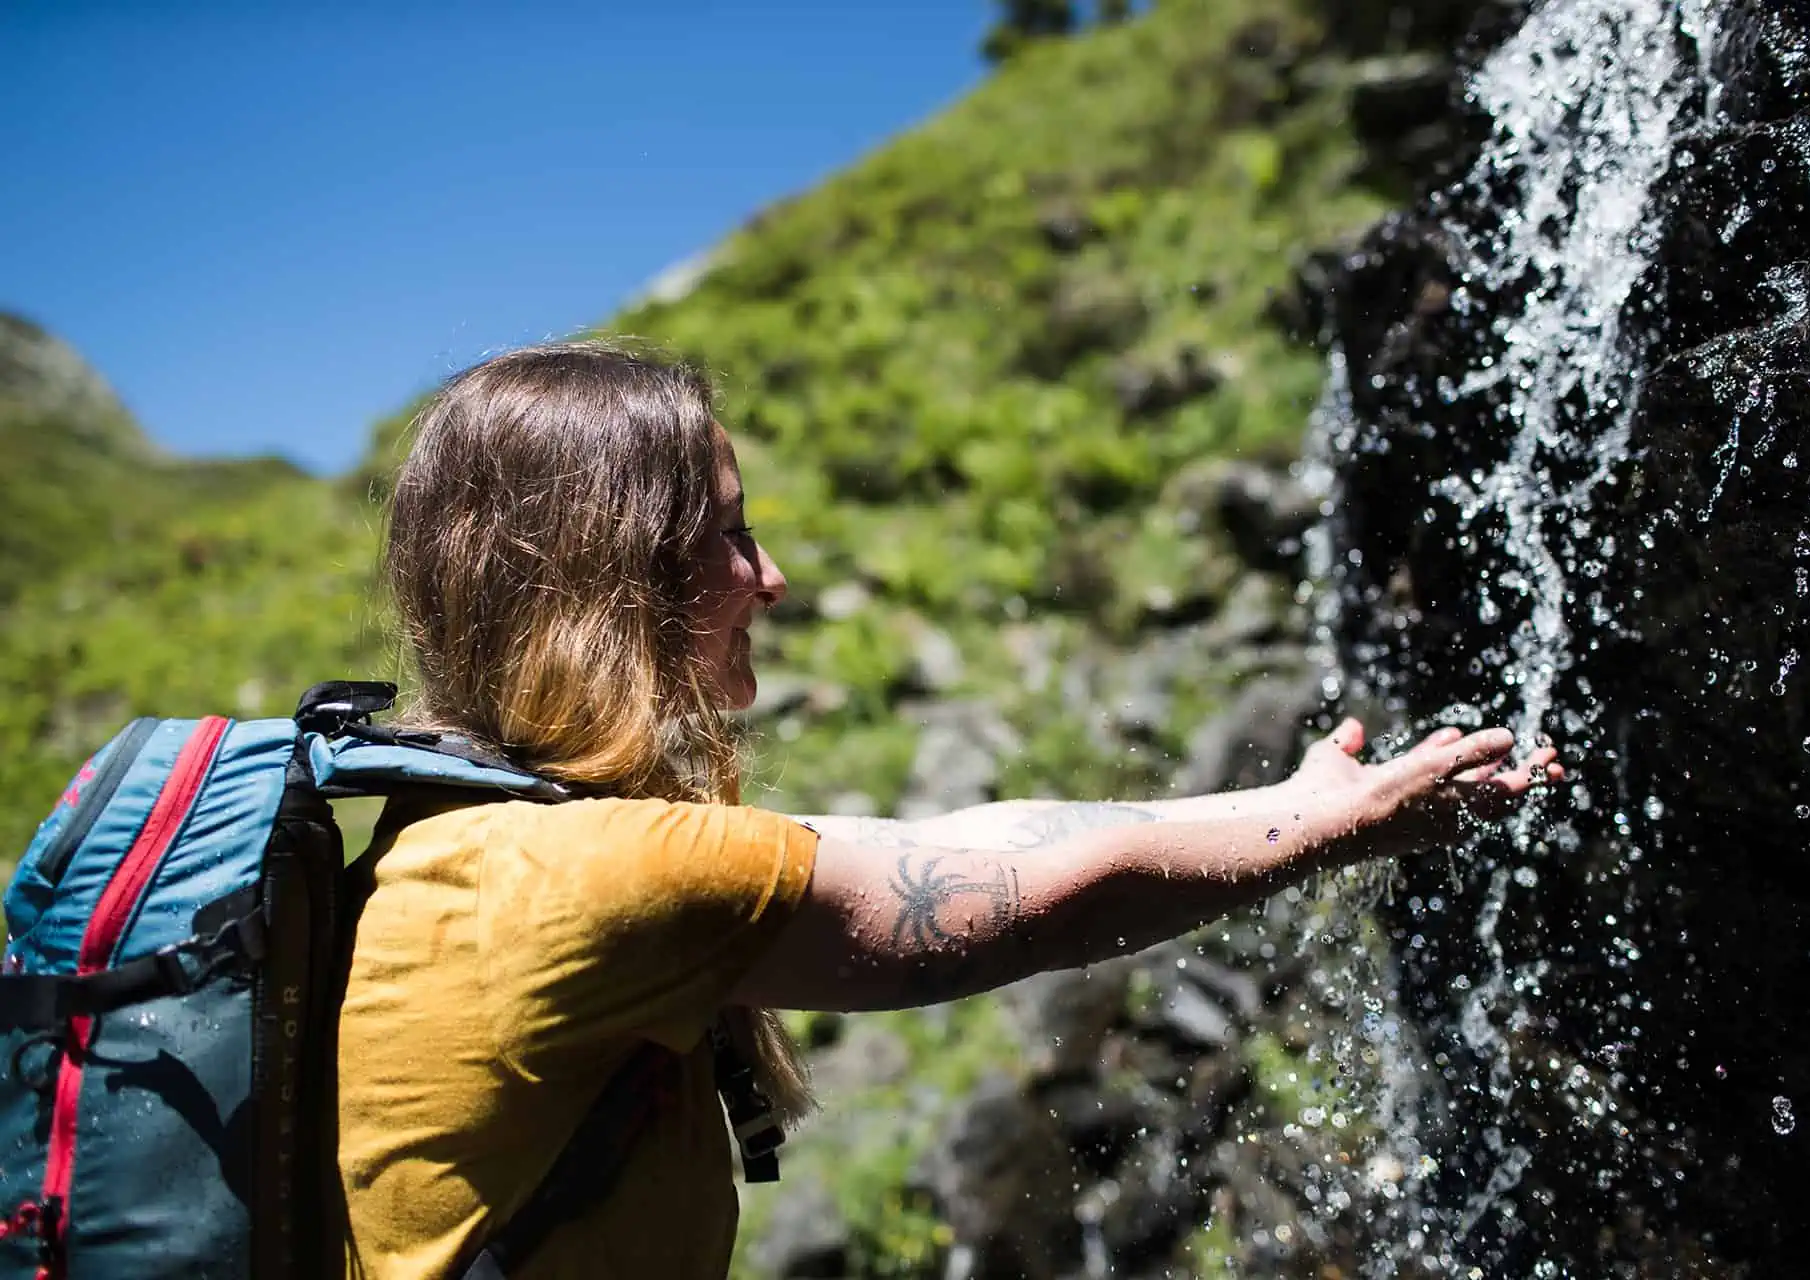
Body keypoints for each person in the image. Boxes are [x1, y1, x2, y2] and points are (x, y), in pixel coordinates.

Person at [337, 341, 1561, 1279]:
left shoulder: (464, 843)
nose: (772, 576)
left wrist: (1289, 797)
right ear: (619, 574)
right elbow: (1051, 895)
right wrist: (1341, 829)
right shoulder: (589, 875)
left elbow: (968, 842)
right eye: (730, 532)